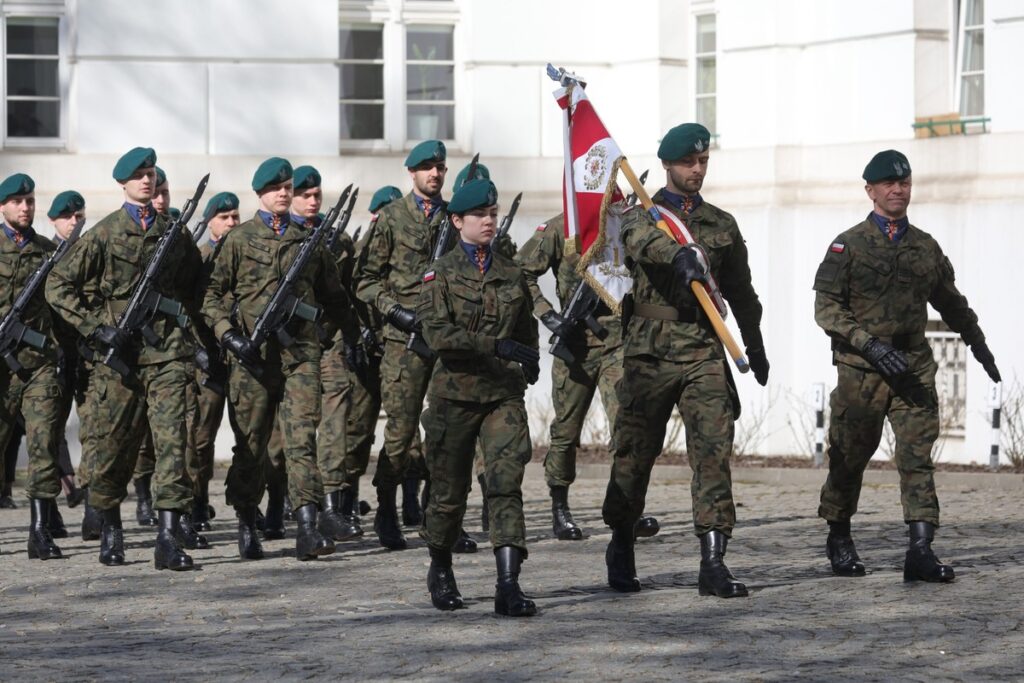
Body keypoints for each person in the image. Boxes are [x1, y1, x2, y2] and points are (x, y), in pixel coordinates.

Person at [812, 149, 1000, 583]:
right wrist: (870, 346)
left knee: (917, 457)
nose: (898, 190)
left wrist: (977, 342)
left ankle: (920, 549)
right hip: (862, 371)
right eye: (889, 183)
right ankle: (839, 534)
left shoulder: (924, 247)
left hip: (913, 367)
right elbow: (827, 309)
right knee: (849, 456)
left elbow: (950, 301)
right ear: (871, 191)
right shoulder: (848, 245)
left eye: (904, 182)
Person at [601, 123, 770, 599]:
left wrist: (755, 344)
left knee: (713, 450)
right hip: (650, 350)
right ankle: (621, 540)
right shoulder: (642, 214)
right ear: (668, 165)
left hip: (702, 348)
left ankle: (713, 560)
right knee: (635, 454)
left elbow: (740, 291)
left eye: (703, 161)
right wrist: (679, 256)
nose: (697, 169)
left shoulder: (721, 223)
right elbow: (641, 243)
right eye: (688, 162)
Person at [46, 147, 202, 570]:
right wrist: (96, 327)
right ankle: (111, 526)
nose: (147, 180)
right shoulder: (104, 233)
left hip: (167, 353)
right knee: (113, 446)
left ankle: (167, 537)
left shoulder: (174, 232)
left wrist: (206, 339)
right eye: (139, 175)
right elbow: (58, 285)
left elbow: (196, 287)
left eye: (151, 173)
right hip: (120, 359)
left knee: (172, 443)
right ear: (123, 183)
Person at [201, 157, 360, 561]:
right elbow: (211, 296)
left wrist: (352, 334)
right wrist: (229, 336)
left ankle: (307, 527)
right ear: (261, 193)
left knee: (301, 440)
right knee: (251, 446)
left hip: (300, 356)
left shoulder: (308, 241)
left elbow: (335, 295)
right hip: (251, 360)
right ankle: (246, 518)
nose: (285, 194)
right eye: (277, 189)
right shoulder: (239, 239)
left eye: (288, 187)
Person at [417, 178, 540, 616]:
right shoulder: (440, 273)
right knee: (448, 493)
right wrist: (494, 345)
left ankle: (508, 584)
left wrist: (529, 359)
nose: (488, 221)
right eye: (478, 215)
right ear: (457, 221)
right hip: (455, 396)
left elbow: (525, 326)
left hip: (502, 394)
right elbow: (437, 334)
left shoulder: (511, 272)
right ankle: (440, 566)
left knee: (505, 484)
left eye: (492, 214)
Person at [515, 212, 660, 540]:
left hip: (617, 341)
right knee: (566, 431)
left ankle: (626, 507)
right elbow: (521, 270)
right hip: (575, 344)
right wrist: (547, 315)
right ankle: (560, 506)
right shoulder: (560, 228)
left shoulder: (623, 224)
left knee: (626, 426)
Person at [356, 139, 451, 550]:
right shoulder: (392, 218)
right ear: (411, 172)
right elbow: (365, 280)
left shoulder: (454, 218)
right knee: (400, 432)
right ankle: (386, 509)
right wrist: (394, 311)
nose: (435, 174)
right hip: (404, 341)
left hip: (445, 341)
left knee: (447, 431)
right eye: (427, 167)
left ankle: (440, 513)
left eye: (440, 167)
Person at [288, 165, 366, 542]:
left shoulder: (339, 240)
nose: (312, 201)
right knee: (291, 430)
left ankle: (331, 506)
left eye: (316, 194)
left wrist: (353, 335)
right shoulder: (279, 237)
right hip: (289, 345)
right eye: (304, 195)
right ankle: (284, 502)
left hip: (330, 341)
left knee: (336, 420)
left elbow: (347, 292)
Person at [0, 173, 66, 560]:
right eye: (17, 201)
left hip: (38, 365)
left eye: (29, 200)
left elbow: (63, 303)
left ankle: (40, 531)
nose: (25, 207)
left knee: (44, 445)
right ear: (2, 207)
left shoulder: (47, 251)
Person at [337, 186, 404, 538]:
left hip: (397, 349)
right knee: (358, 430)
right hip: (366, 351)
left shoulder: (407, 249)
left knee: (402, 428)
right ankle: (346, 501)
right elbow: (345, 297)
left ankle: (399, 503)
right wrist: (356, 333)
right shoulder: (360, 250)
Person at [188, 191, 242, 531]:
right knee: (201, 438)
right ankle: (197, 500)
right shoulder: (200, 258)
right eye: (224, 218)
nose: (232, 223)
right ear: (210, 222)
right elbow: (188, 309)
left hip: (242, 357)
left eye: (236, 217)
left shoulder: (245, 254)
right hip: (207, 359)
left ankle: (245, 502)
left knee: (250, 435)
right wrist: (198, 351)